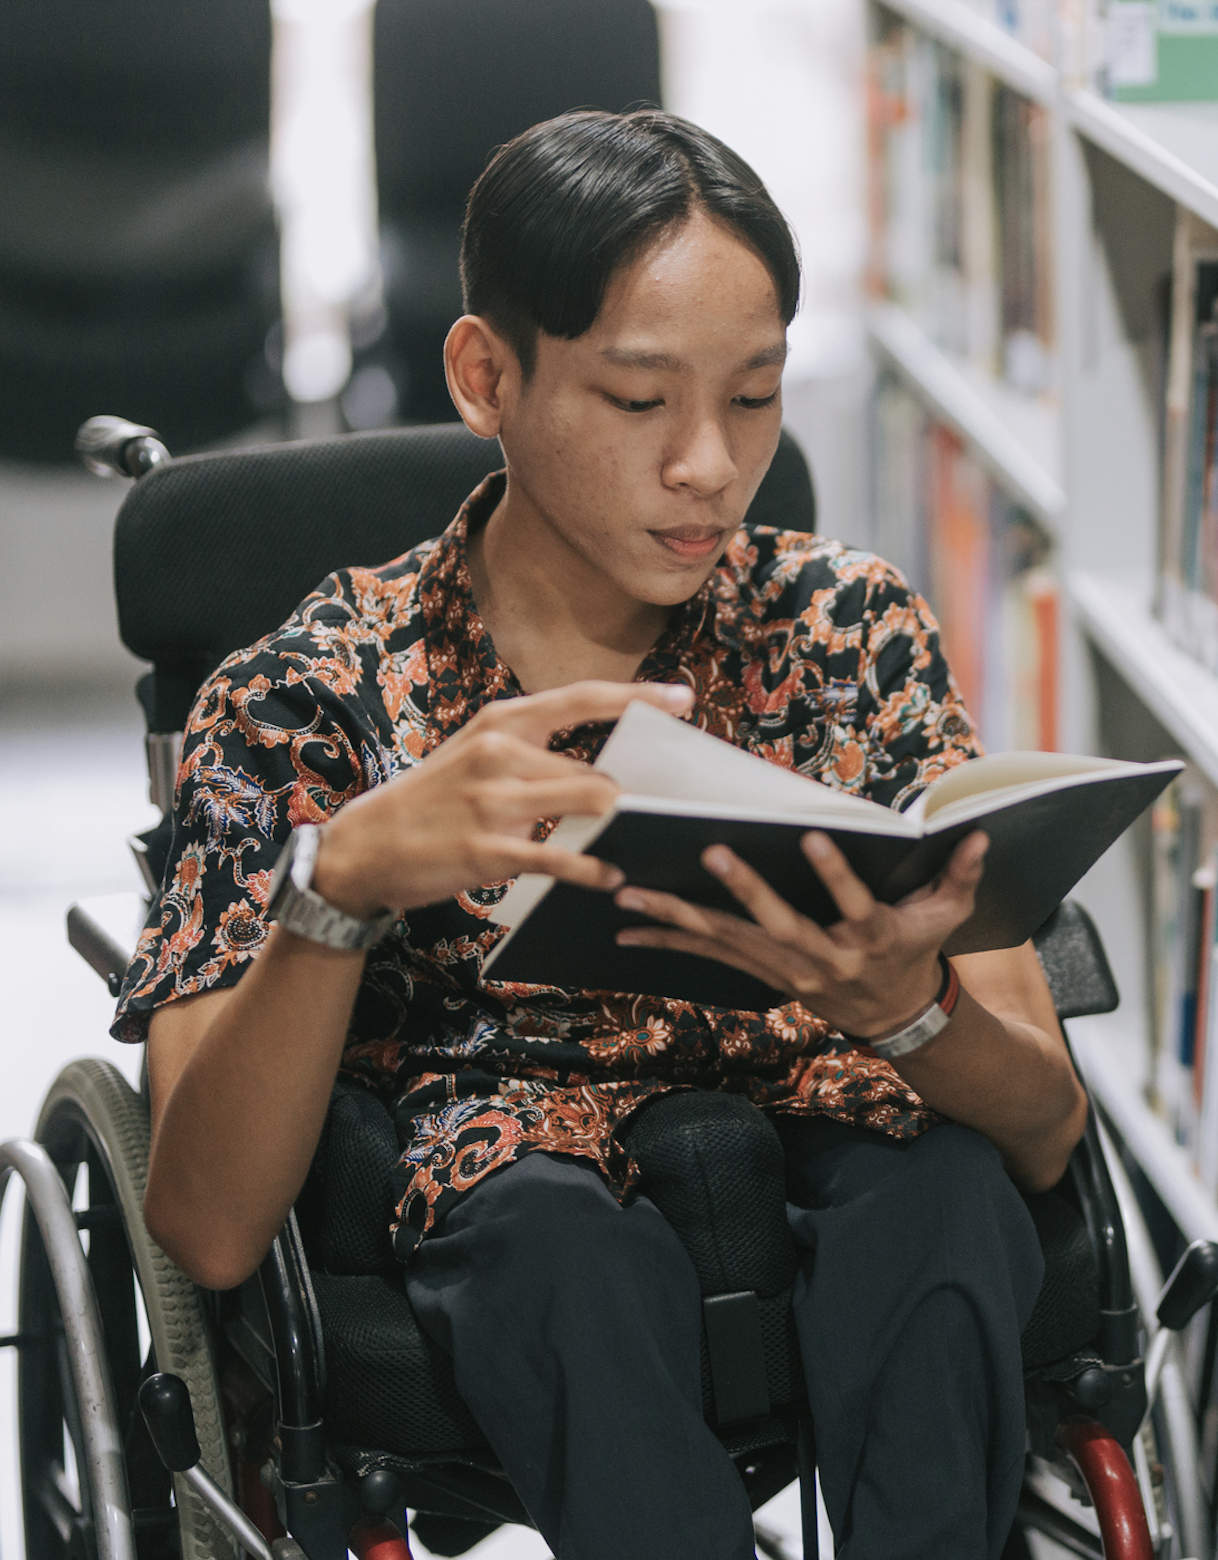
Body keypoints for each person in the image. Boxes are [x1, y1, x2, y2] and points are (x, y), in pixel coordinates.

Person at [114, 110, 1088, 1559]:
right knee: (547, 1247)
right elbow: (204, 1230)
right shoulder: (307, 694)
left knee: (940, 1197)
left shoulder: (845, 632)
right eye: (640, 404)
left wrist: (907, 1011)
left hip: (830, 1120)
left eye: (754, 398)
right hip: (513, 1188)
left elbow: (1044, 1122)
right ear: (484, 376)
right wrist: (341, 890)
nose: (708, 464)